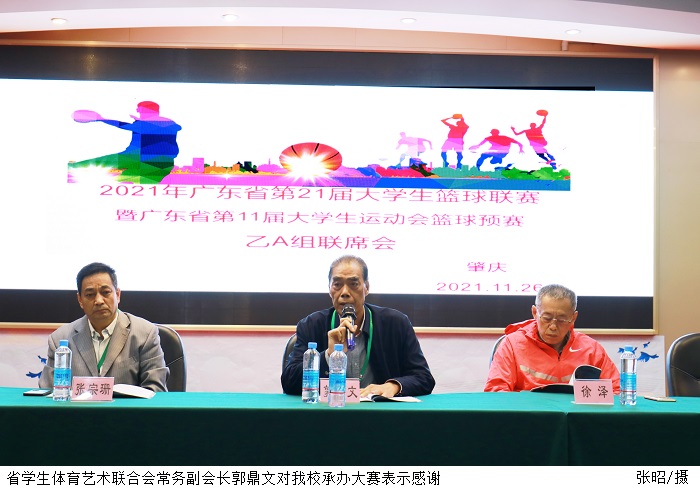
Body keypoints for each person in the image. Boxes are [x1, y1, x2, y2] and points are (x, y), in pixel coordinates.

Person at [281, 255, 435, 397]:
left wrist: (393, 386)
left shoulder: (396, 324)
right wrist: (328, 355)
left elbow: (424, 378)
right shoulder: (311, 325)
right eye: (337, 285)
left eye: (353, 284)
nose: (345, 292)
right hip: (331, 411)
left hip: (380, 412)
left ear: (366, 287)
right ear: (329, 289)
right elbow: (289, 383)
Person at [39, 262, 169, 392]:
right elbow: (48, 392)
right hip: (78, 406)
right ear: (80, 300)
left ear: (117, 295)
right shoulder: (60, 339)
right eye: (90, 294)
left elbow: (155, 390)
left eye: (105, 292)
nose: (99, 301)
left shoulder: (145, 333)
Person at [484, 284, 620, 393]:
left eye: (561, 320)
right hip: (527, 416)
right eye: (547, 318)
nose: (553, 327)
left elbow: (616, 390)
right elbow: (496, 392)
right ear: (535, 313)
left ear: (573, 318)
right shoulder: (512, 345)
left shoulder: (591, 349)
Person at [70, 101, 182, 184]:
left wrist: (101, 119)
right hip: (143, 161)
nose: (138, 112)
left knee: (113, 179)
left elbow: (124, 125)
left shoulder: (155, 124)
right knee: (95, 169)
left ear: (148, 111)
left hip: (152, 165)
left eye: (140, 110)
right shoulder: (164, 123)